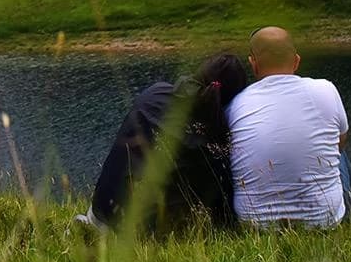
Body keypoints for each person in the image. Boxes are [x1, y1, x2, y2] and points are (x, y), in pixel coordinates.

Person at [82, 53, 249, 231]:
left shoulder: (155, 92)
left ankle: (94, 227)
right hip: (147, 231)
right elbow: (222, 202)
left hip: (102, 209)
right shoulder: (215, 136)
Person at [228, 27, 351, 228]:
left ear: (253, 64)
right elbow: (340, 143)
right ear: (296, 61)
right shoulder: (326, 89)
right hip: (324, 221)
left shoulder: (237, 104)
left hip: (257, 227)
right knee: (340, 154)